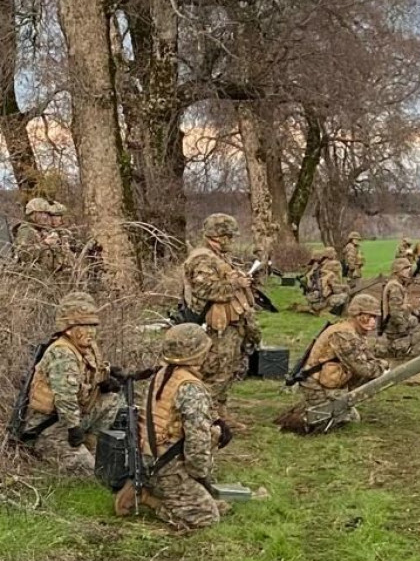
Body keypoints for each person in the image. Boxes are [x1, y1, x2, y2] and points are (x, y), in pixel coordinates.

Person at [116, 323, 229, 529]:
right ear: (197, 354)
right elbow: (197, 444)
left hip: (149, 459)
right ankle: (149, 499)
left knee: (207, 500)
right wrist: (199, 476)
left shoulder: (162, 374)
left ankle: (158, 489)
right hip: (168, 468)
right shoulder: (190, 387)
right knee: (206, 517)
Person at [20, 292, 121, 475]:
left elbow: (92, 378)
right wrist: (74, 430)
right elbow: (65, 398)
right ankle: (57, 450)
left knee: (111, 399)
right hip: (49, 428)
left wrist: (106, 381)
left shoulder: (87, 348)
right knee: (93, 472)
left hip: (73, 419)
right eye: (84, 326)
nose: (90, 331)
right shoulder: (62, 353)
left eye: (93, 325)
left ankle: (92, 446)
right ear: (68, 329)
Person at [182, 213, 261, 429]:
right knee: (215, 371)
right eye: (230, 237)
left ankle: (219, 413)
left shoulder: (218, 257)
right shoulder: (203, 258)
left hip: (230, 323)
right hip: (215, 327)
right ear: (219, 236)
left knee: (227, 370)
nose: (232, 241)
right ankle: (204, 419)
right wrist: (236, 284)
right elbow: (204, 289)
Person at [276, 294, 388, 433]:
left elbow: (366, 358)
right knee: (345, 419)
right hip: (316, 385)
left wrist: (379, 365)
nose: (373, 321)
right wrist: (382, 368)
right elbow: (362, 368)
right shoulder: (344, 335)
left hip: (327, 381)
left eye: (375, 317)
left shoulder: (351, 331)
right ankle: (299, 420)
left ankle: (309, 408)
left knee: (348, 415)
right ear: (357, 314)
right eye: (369, 316)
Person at [15, 197, 74, 275]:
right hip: (32, 277)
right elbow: (25, 255)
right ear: (33, 213)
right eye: (41, 213)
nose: (45, 216)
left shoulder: (41, 229)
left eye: (46, 213)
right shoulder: (26, 230)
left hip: (48, 276)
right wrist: (45, 243)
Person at [381, 258, 420, 353]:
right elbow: (395, 312)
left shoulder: (395, 284)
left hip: (392, 323)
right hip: (393, 325)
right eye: (405, 268)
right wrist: (402, 326)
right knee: (413, 320)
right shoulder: (395, 287)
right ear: (397, 271)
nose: (408, 270)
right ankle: (398, 345)